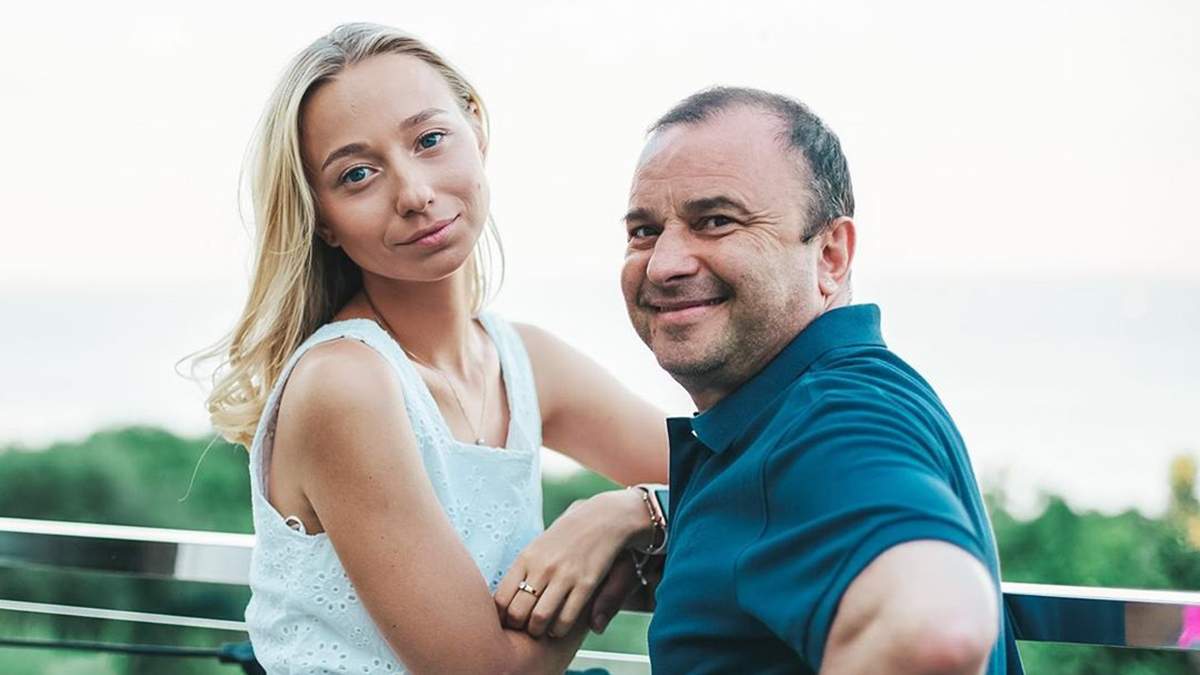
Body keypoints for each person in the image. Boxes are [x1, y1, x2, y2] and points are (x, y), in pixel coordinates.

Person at [197, 23, 667, 674]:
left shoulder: (523, 361)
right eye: (358, 174)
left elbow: (732, 466)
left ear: (477, 128)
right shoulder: (346, 384)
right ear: (322, 218)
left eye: (429, 140)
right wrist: (598, 557)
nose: (415, 194)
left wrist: (630, 512)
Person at [605, 87, 1025, 674]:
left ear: (831, 255)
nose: (663, 263)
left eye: (717, 222)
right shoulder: (800, 410)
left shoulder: (830, 417)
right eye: (644, 231)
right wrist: (649, 512)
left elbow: (937, 628)